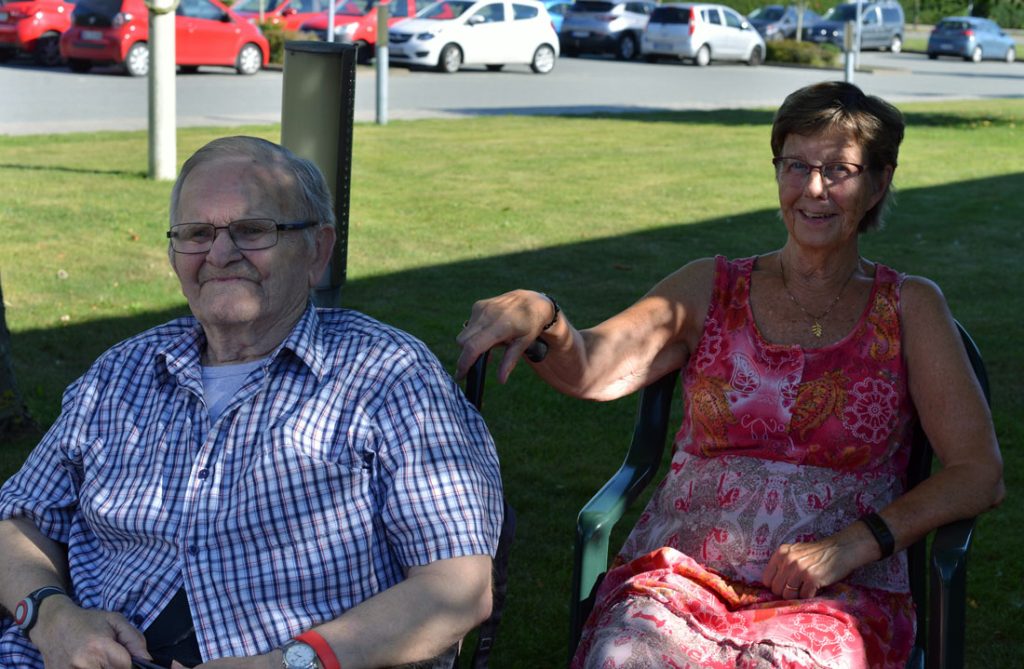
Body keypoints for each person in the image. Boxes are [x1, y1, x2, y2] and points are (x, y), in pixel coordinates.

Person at [456, 81, 1003, 668]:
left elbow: (978, 473)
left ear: (878, 182)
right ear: (777, 171)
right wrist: (548, 318)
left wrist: (851, 545)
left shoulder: (909, 307)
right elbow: (592, 368)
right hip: (687, 578)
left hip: (836, 591)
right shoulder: (710, 286)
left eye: (839, 169)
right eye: (797, 165)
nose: (814, 189)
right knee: (624, 655)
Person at [0, 136, 504, 669]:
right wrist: (52, 619)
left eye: (252, 230)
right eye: (196, 234)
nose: (220, 254)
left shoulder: (387, 375)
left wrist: (290, 664)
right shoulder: (121, 373)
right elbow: (18, 521)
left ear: (317, 249)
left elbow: (456, 588)